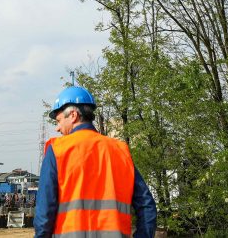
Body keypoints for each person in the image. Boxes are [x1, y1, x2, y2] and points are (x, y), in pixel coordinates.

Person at [34, 86, 158, 238]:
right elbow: (147, 206)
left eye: (59, 120)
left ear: (73, 115)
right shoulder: (120, 151)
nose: (58, 128)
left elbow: (45, 213)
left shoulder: (58, 150)